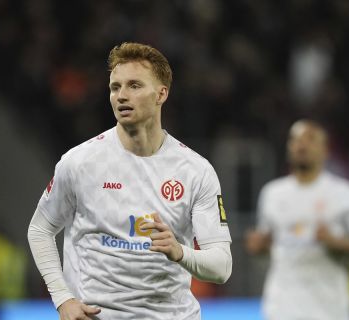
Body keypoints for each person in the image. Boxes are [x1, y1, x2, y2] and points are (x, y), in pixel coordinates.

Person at [27, 42, 232, 319]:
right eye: (115, 87)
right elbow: (40, 230)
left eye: (134, 86)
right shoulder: (79, 162)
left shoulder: (195, 170)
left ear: (161, 94)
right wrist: (63, 298)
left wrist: (180, 252)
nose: (121, 96)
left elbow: (221, 267)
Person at [246, 119, 349, 320]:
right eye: (295, 139)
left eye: (310, 139)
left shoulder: (346, 194)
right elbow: (269, 245)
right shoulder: (272, 193)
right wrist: (259, 245)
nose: (301, 145)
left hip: (329, 311)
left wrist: (338, 243)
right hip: (280, 309)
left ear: (326, 150)